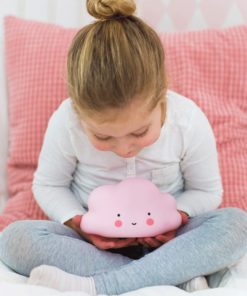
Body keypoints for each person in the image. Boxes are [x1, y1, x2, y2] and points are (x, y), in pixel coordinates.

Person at [1, 0, 247, 295]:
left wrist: (178, 216)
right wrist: (79, 224)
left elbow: (207, 191)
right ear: (79, 111)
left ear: (162, 99)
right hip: (93, 246)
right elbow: (49, 185)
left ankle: (102, 284)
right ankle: (175, 274)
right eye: (104, 138)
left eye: (140, 131)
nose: (125, 149)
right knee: (15, 240)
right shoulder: (66, 121)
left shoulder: (188, 120)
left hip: (174, 240)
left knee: (236, 225)